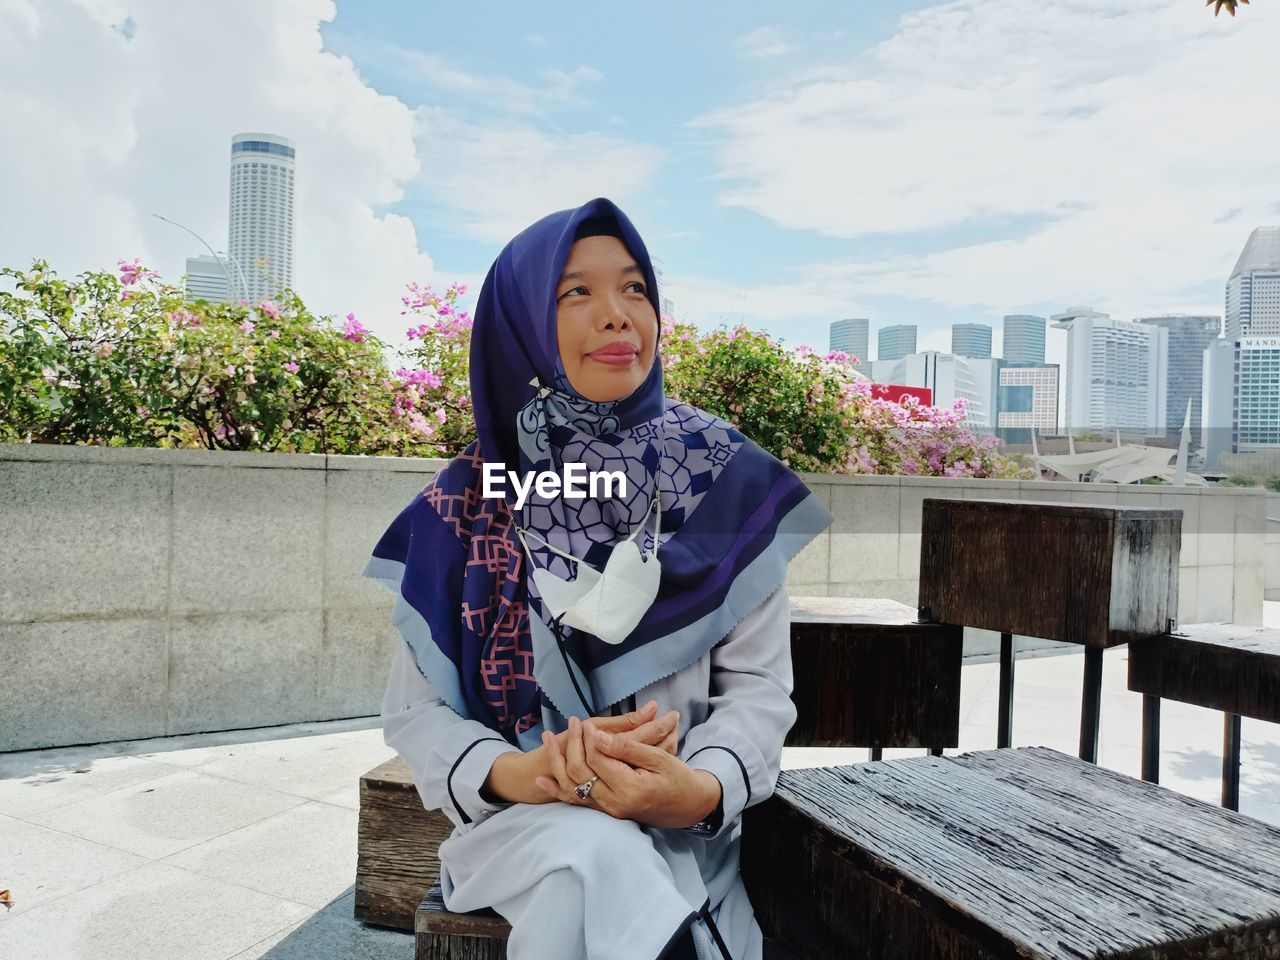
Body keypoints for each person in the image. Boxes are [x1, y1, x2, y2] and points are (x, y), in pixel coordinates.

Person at [365, 197, 832, 959]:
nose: (617, 316)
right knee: (587, 855)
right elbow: (416, 715)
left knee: (591, 875)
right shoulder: (469, 502)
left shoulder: (725, 483)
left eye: (634, 288)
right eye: (575, 292)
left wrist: (701, 788)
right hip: (520, 829)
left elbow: (757, 689)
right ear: (520, 325)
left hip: (686, 838)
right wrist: (525, 773)